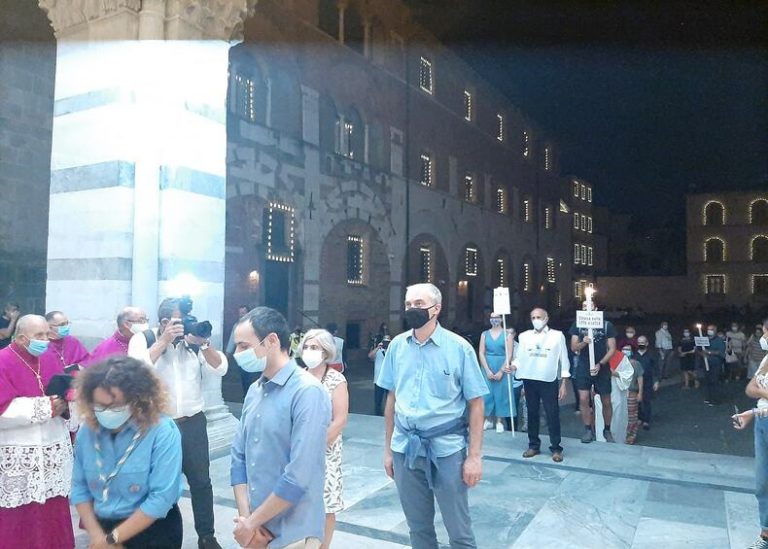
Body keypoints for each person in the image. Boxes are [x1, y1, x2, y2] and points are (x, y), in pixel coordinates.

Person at [376, 283, 488, 549]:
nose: (412, 309)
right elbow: (392, 399)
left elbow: (476, 403)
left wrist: (474, 457)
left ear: (436, 309)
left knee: (459, 530)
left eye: (419, 304)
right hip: (405, 447)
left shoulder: (459, 348)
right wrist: (388, 450)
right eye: (408, 304)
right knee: (418, 528)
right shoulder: (397, 347)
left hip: (446, 449)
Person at [129, 297, 227, 549]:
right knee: (160, 484)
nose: (184, 325)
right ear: (164, 321)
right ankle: (160, 537)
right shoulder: (144, 339)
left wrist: (204, 343)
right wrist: (164, 341)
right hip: (158, 425)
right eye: (179, 321)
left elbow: (221, 368)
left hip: (193, 422)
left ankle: (207, 536)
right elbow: (135, 370)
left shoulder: (192, 343)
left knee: (201, 482)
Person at [230, 307, 331, 549]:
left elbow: (299, 475)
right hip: (257, 528)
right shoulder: (254, 390)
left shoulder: (307, 392)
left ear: (272, 341)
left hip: (295, 530)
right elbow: (239, 457)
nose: (237, 354)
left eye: (244, 346)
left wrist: (251, 523)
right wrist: (247, 521)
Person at [71, 356, 184, 548]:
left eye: (114, 406)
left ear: (137, 400)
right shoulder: (87, 432)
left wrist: (112, 539)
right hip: (102, 528)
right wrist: (98, 537)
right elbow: (79, 488)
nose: (106, 412)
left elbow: (161, 498)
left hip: (152, 529)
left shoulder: (162, 430)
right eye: (100, 406)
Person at [0, 315, 74, 549]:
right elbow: (3, 409)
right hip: (20, 454)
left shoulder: (49, 356)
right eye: (39, 335)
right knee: (20, 516)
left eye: (46, 334)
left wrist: (66, 400)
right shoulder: (2, 361)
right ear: (22, 338)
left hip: (52, 450)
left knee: (53, 510)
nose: (45, 340)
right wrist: (46, 407)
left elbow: (62, 388)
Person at [300, 329, 349, 549]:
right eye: (306, 347)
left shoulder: (336, 380)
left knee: (326, 506)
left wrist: (315, 447)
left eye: (315, 347)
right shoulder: (296, 377)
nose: (309, 351)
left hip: (325, 451)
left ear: (326, 351)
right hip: (297, 449)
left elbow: (340, 420)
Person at [512, 308, 570, 462]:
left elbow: (564, 360)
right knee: (532, 412)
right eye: (533, 317)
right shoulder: (524, 336)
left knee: (552, 413)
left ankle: (556, 448)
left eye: (538, 317)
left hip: (548, 380)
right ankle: (533, 445)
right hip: (530, 379)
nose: (536, 320)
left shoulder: (557, 336)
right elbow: (519, 357)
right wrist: (513, 366)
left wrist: (564, 383)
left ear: (546, 318)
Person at [731, 319, 768, 549]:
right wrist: (752, 412)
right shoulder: (766, 360)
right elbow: (750, 389)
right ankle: (765, 534)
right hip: (762, 422)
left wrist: (762, 394)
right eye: (764, 331)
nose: (764, 336)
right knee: (762, 483)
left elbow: (758, 390)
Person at [569, 300, 617, 443]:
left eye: (589, 306)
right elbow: (574, 347)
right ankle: (588, 429)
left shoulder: (606, 325)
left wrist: (601, 364)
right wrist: (584, 342)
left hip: (602, 367)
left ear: (595, 309)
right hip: (584, 366)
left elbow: (612, 348)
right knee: (584, 398)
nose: (586, 308)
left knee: (606, 400)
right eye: (584, 306)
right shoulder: (578, 325)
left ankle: (607, 429)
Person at [479, 312, 514, 433]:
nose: (494, 320)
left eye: (497, 317)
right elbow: (481, 352)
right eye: (492, 317)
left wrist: (501, 371)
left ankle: (499, 421)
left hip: (502, 364)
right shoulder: (484, 334)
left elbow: (509, 354)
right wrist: (487, 370)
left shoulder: (508, 335)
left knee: (501, 394)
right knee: (486, 394)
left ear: (501, 319)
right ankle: (487, 419)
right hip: (487, 364)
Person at [595, 345, 635, 444]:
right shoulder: (596, 356)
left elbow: (629, 373)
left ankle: (618, 442)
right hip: (600, 391)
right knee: (601, 418)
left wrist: (615, 373)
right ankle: (601, 441)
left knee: (617, 417)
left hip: (617, 392)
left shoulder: (620, 357)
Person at [227, 305, 259, 396]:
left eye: (243, 313)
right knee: (245, 378)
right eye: (240, 313)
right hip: (242, 356)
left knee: (254, 378)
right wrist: (227, 354)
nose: (241, 315)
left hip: (254, 356)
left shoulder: (255, 325)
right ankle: (247, 397)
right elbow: (232, 340)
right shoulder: (236, 326)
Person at [635, 335, 660, 430]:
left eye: (643, 342)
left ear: (647, 343)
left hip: (648, 381)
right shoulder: (634, 355)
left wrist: (656, 381)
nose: (641, 344)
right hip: (635, 382)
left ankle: (646, 420)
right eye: (639, 342)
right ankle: (639, 418)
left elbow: (656, 368)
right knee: (637, 401)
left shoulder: (651, 355)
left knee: (646, 401)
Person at [701, 323, 726, 406]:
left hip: (715, 364)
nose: (709, 331)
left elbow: (721, 352)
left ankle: (716, 399)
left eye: (711, 329)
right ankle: (709, 397)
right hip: (706, 363)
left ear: (715, 331)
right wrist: (702, 354)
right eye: (708, 329)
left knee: (714, 381)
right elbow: (700, 349)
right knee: (707, 381)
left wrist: (709, 352)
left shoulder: (719, 340)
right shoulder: (704, 339)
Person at [624, 346, 644, 444]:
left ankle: (631, 435)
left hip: (632, 392)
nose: (625, 352)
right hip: (621, 393)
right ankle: (623, 435)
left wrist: (640, 393)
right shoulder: (620, 364)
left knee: (632, 416)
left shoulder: (636, 364)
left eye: (627, 350)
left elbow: (640, 379)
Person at [368, 329, 390, 416]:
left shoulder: (392, 351)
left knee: (389, 398)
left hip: (389, 379)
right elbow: (370, 356)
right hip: (378, 379)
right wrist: (378, 347)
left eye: (388, 341)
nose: (386, 343)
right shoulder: (378, 351)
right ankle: (377, 413)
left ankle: (389, 413)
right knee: (378, 399)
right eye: (385, 341)